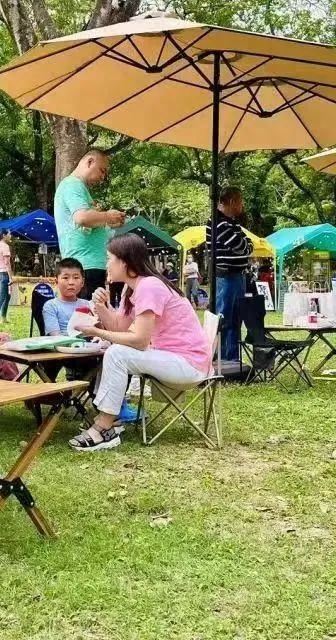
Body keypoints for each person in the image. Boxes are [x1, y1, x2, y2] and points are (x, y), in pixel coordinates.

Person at [68, 234, 212, 452]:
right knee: (114, 349)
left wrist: (96, 331)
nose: (106, 264)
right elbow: (120, 328)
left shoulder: (150, 286)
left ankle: (105, 426)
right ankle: (110, 420)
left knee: (117, 353)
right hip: (171, 359)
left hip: (188, 365)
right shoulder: (132, 288)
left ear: (124, 262)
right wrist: (101, 307)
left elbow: (139, 340)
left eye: (109, 258)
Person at [54, 149, 126, 299]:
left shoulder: (78, 188)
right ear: (90, 161)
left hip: (87, 266)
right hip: (84, 266)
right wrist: (107, 216)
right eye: (102, 170)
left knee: (92, 318)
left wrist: (109, 222)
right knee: (88, 320)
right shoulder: (73, 185)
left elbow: (85, 225)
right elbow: (81, 218)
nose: (103, 177)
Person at [206, 186, 252, 362]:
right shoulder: (220, 223)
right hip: (227, 276)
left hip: (235, 275)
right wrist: (246, 246)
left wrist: (246, 245)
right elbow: (242, 247)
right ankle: (224, 358)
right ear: (232, 202)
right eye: (240, 201)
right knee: (225, 318)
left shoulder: (231, 223)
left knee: (235, 318)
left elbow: (245, 244)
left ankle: (232, 358)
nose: (242, 206)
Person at [42, 258, 93, 336]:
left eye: (76, 278)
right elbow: (55, 336)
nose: (71, 282)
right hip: (61, 346)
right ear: (56, 282)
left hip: (87, 346)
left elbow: (97, 333)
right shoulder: (51, 306)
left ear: (82, 282)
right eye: (65, 278)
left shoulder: (87, 304)